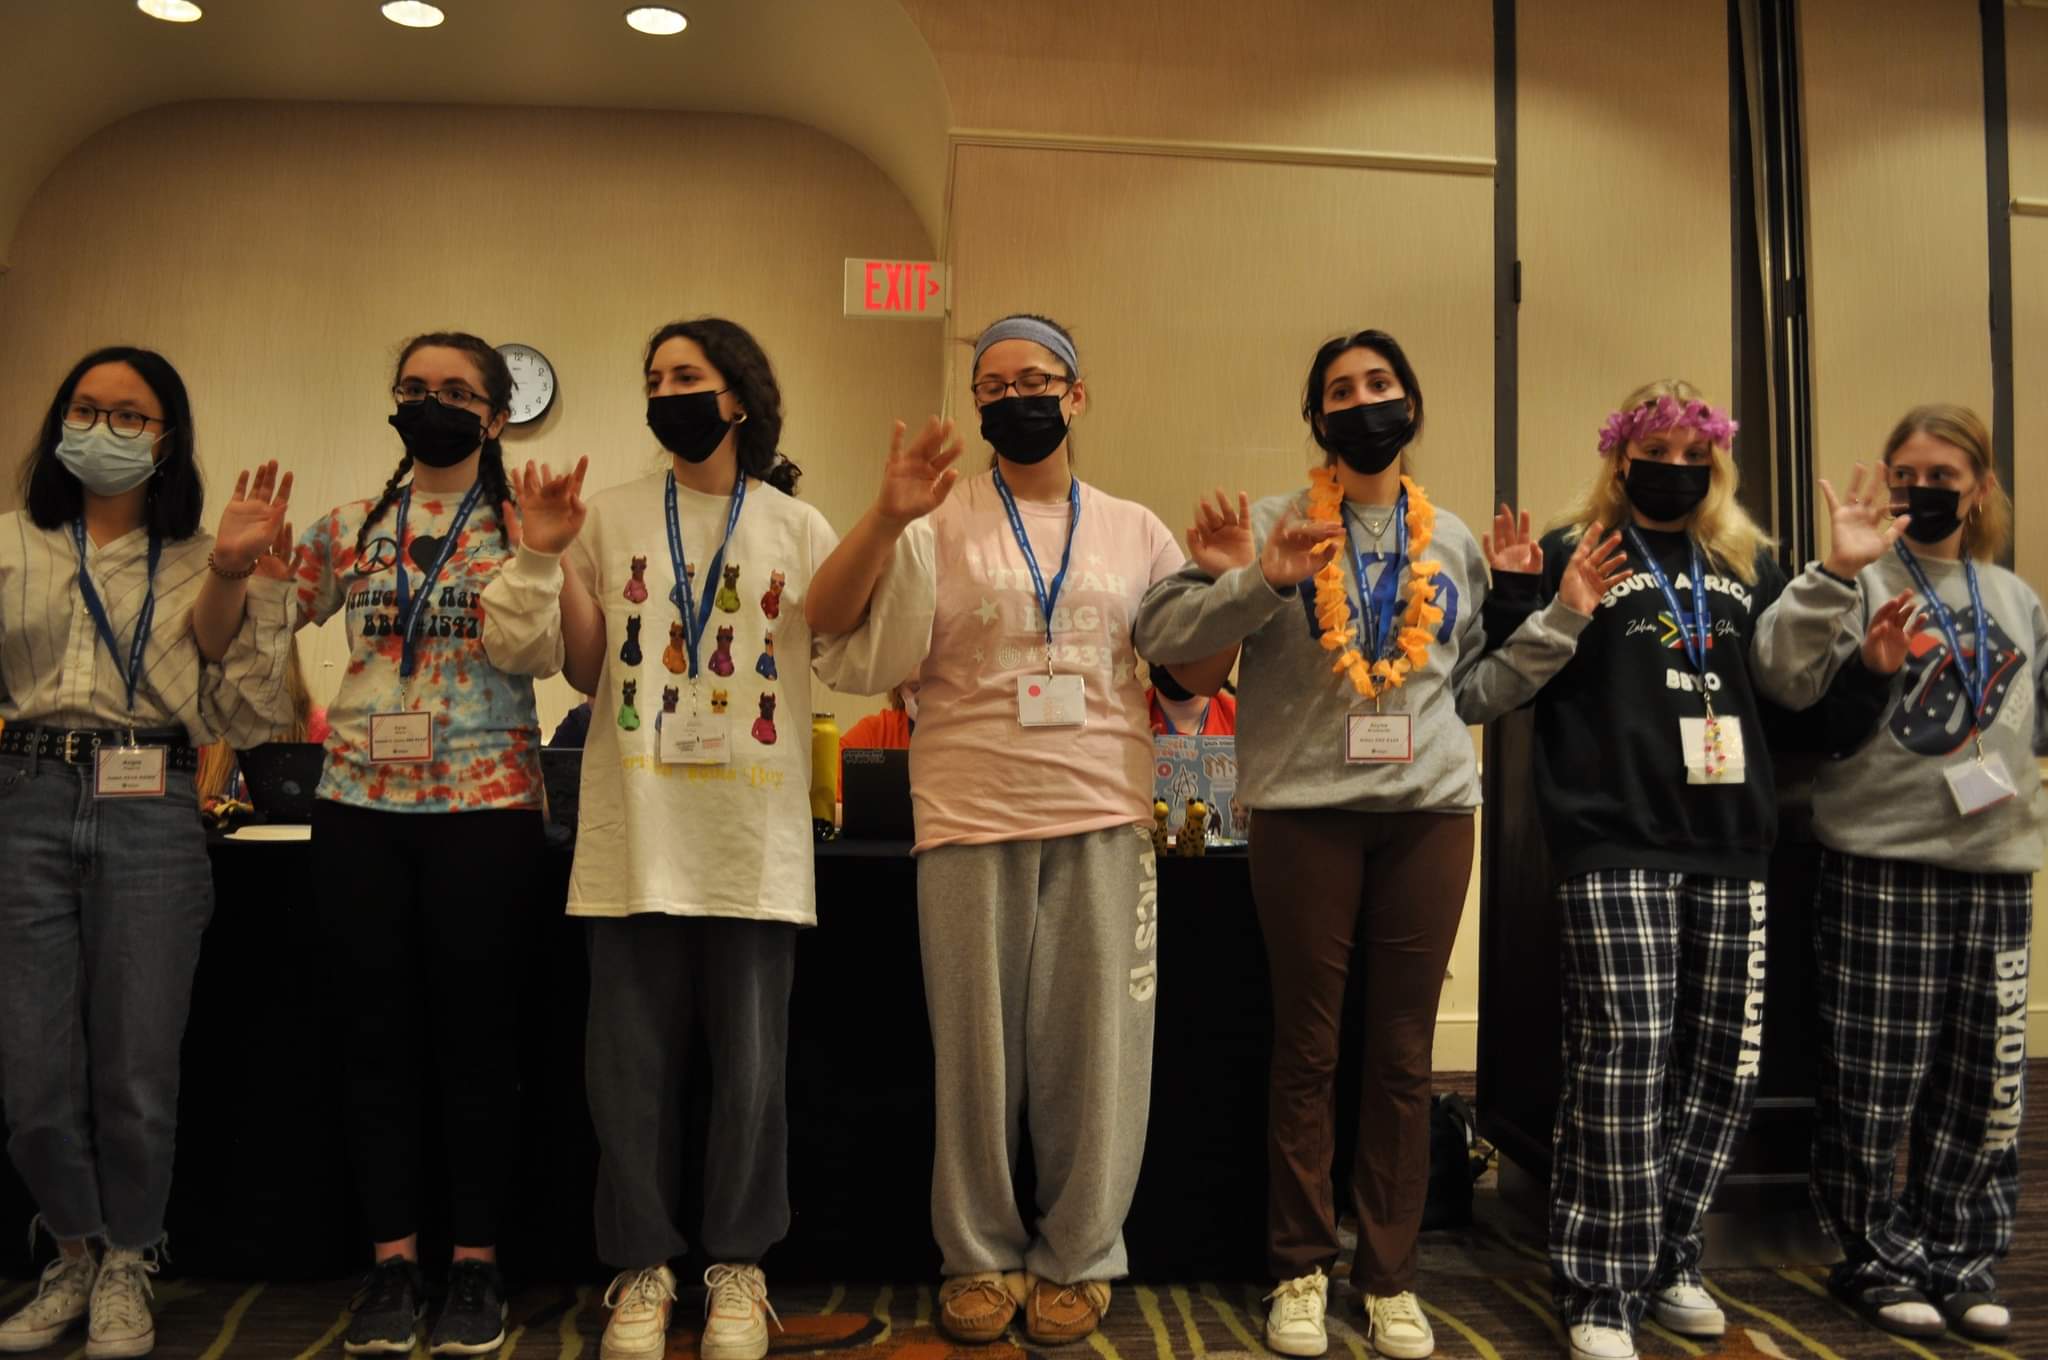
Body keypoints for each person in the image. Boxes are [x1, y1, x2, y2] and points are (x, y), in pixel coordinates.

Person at [1135, 328, 1625, 1360]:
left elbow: (1476, 691)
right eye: (1340, 391)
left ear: (1409, 404)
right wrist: (1253, 582)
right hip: (1303, 814)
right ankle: (1299, 1267)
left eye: (1380, 384)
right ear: (1316, 421)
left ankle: (1390, 1274)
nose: (1363, 402)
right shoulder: (1272, 523)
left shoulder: (1446, 538)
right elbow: (1166, 645)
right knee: (1306, 1049)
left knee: (1403, 1055)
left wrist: (1563, 616)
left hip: (1430, 815)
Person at [805, 314, 1237, 1347]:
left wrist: (1224, 587)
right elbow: (826, 626)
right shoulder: (934, 518)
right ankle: (978, 1253)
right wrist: (882, 512)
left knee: (1095, 1049)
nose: (1015, 399)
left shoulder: (1135, 530)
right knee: (975, 1054)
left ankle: (1080, 1252)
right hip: (964, 809)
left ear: (1076, 395)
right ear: (977, 407)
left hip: (1101, 810)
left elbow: (1192, 679)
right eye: (993, 386)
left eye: (1035, 379)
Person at [1511, 380, 1894, 1360]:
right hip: (1614, 837)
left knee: (1722, 1070)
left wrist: (1860, 648)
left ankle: (1668, 1251)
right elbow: (1511, 679)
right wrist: (1520, 592)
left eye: (1693, 453)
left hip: (1730, 841)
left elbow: (1794, 704)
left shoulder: (1747, 563)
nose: (1673, 467)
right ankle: (1599, 1282)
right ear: (1620, 455)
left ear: (1713, 463)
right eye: (1656, 449)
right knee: (1625, 1060)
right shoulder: (1573, 547)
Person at [561, 318, 894, 1360]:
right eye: (654, 376)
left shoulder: (794, 523)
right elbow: (578, 669)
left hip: (750, 841)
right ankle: (641, 1271)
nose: (666, 390)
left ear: (736, 399)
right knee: (627, 1071)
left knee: (751, 1072)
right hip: (632, 836)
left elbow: (841, 640)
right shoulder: (607, 518)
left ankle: (739, 1267)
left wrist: (888, 515)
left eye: (687, 375)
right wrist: (541, 553)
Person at [286, 331, 586, 1357]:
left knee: (476, 1047)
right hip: (358, 807)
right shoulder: (348, 527)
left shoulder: (519, 526)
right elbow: (259, 622)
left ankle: (474, 1265)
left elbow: (529, 651)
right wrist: (236, 563)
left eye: (457, 392)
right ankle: (390, 1262)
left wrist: (540, 551)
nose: (432, 403)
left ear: (495, 418)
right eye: (414, 388)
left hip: (486, 806)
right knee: (373, 1040)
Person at [0, 346, 295, 1359]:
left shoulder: (203, 551)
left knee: (133, 1064)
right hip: (28, 791)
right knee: (32, 1071)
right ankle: (71, 1249)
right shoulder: (8, 542)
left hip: (152, 797)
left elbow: (229, 689)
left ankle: (128, 1255)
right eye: (87, 408)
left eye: (131, 416)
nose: (105, 428)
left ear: (166, 438)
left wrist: (230, 570)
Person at [1756, 405, 2041, 1346]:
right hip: (1882, 866)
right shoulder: (1858, 577)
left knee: (1984, 1087)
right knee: (1876, 1082)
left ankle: (1966, 1258)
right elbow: (1783, 678)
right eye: (1905, 472)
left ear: (1981, 488)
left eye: (1942, 474)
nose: (1923, 489)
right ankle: (1876, 1257)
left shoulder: (2014, 596)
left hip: (1996, 871)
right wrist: (1835, 573)